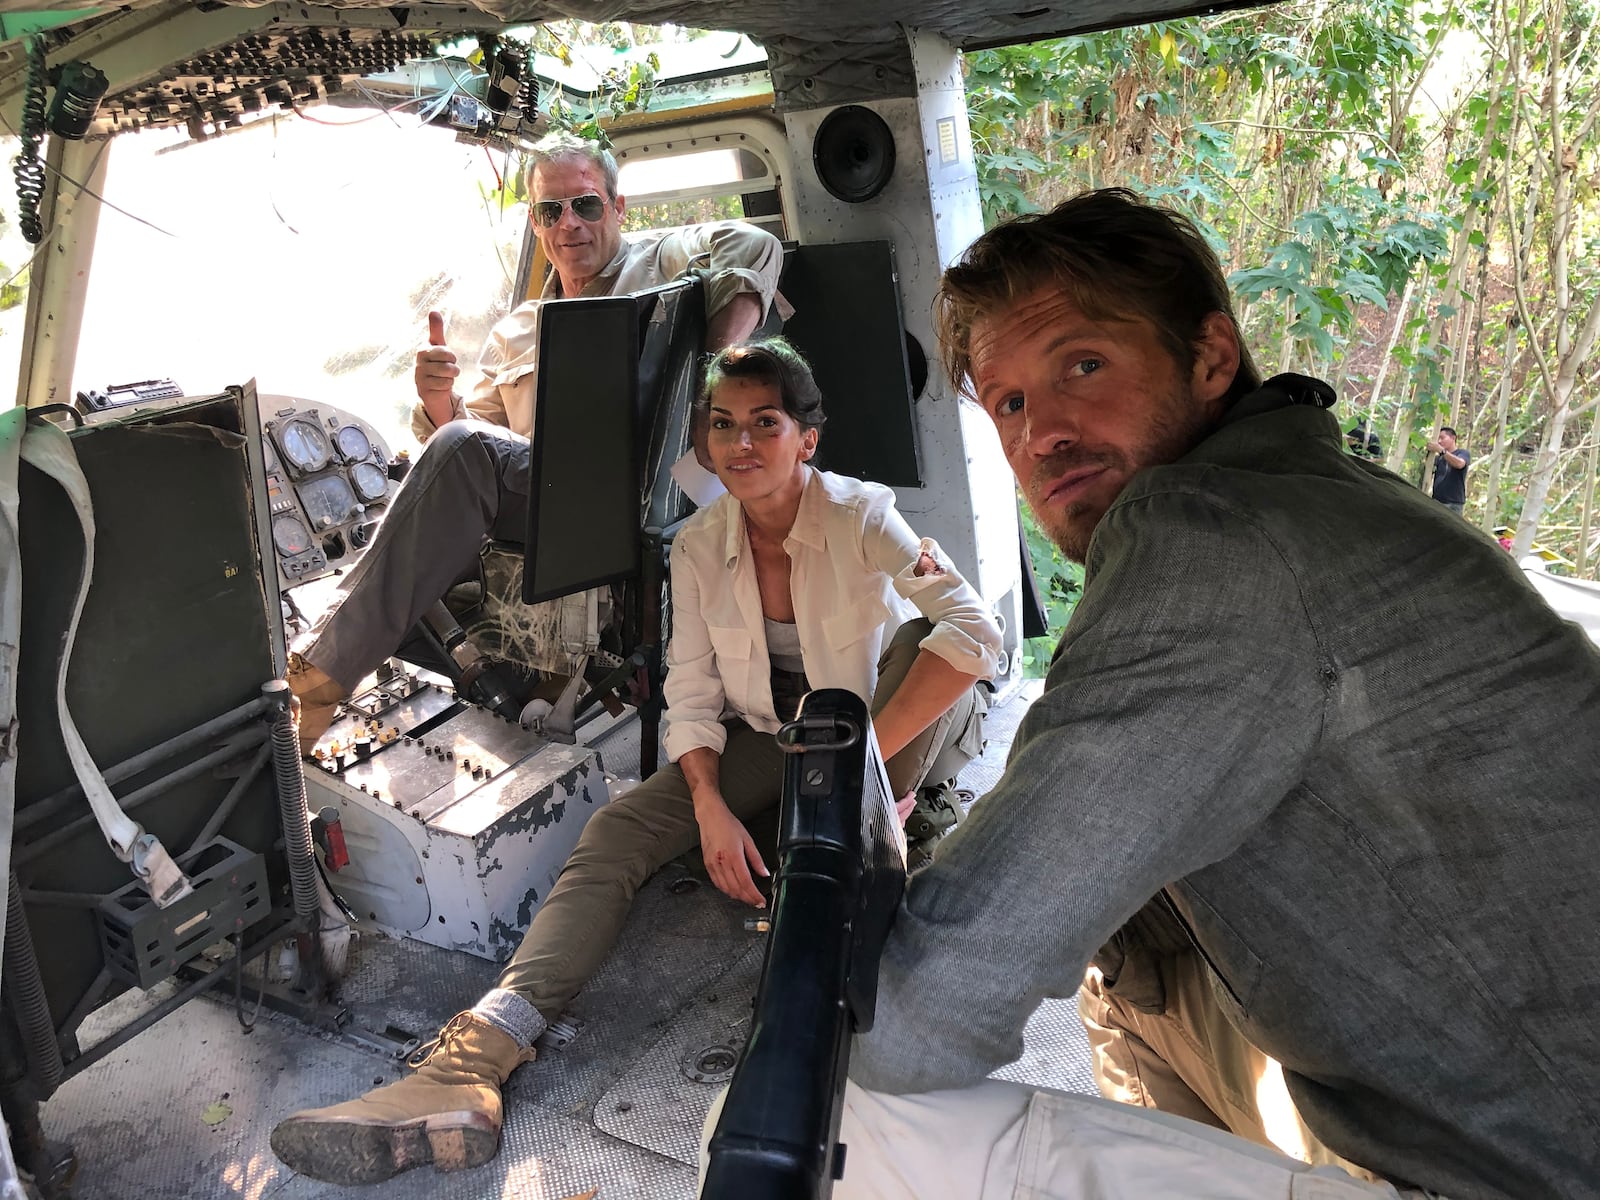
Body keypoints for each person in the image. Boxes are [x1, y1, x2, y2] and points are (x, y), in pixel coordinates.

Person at [816, 189, 1600, 1199]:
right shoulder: (1331, 489)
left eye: (1081, 367)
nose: (1043, 432)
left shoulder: (1205, 529)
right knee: (1133, 967)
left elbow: (919, 1019)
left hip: (1534, 1154)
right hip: (1489, 1038)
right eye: (1008, 403)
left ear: (1212, 358)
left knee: (846, 1116)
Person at [270, 337, 1002, 1186]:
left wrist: (860, 769)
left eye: (767, 423)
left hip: (882, 723)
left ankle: (881, 835)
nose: (742, 444)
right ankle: (468, 1066)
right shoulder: (699, 545)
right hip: (780, 732)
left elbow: (975, 632)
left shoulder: (863, 515)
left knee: (926, 652)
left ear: (808, 438)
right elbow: (690, 699)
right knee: (618, 831)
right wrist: (708, 807)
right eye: (723, 424)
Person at [286, 130, 785, 750]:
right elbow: (472, 451)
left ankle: (318, 677)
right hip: (545, 512)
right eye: (552, 211)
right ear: (536, 222)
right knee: (414, 537)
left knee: (465, 454)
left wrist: (718, 366)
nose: (570, 223)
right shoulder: (518, 331)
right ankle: (440, 708)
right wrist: (439, 400)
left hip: (638, 503)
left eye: (587, 204)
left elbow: (754, 245)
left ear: (618, 207)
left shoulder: (659, 262)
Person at [1426, 426, 1470, 515]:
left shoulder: (1462, 453)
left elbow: (1459, 464)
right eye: (1438, 439)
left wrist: (1441, 451)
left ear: (1453, 438)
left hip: (1453, 504)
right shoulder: (1438, 458)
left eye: (1442, 438)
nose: (1439, 441)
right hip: (1437, 502)